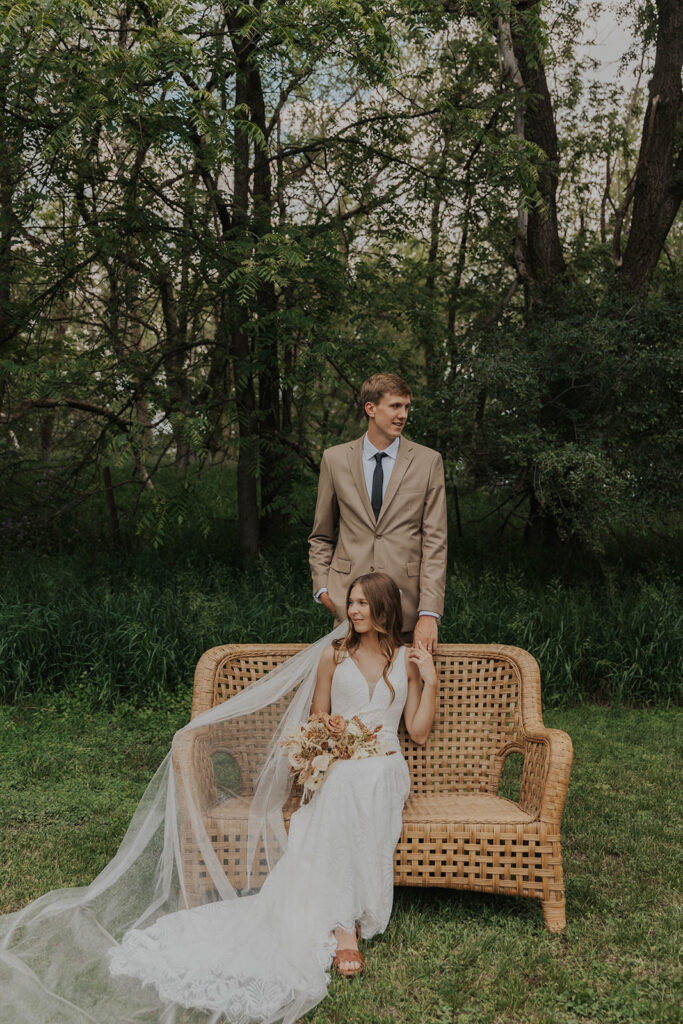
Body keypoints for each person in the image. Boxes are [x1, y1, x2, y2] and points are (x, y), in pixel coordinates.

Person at [0, 573, 437, 1024]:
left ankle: (347, 923)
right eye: (352, 602)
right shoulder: (333, 655)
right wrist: (328, 745)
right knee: (343, 783)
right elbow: (318, 718)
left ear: (384, 608)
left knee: (357, 781)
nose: (353, 611)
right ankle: (345, 927)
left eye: (363, 603)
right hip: (339, 763)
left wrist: (431, 679)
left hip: (385, 762)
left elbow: (418, 732)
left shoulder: (405, 661)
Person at [309, 372, 448, 653]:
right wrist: (323, 588)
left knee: (403, 693)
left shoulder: (428, 461)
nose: (403, 415)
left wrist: (429, 613)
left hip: (405, 609)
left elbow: (435, 543)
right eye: (395, 406)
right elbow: (321, 535)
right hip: (349, 608)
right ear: (370, 409)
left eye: (407, 407)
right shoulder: (334, 460)